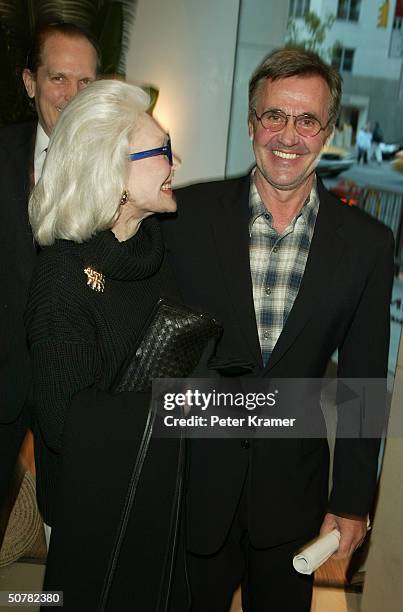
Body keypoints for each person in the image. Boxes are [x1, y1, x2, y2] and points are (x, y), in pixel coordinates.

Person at [162, 47, 394, 611]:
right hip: (193, 487)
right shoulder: (184, 217)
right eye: (275, 116)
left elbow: (362, 382)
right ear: (251, 124)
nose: (289, 135)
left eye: (307, 119)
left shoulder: (366, 245)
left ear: (328, 131)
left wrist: (353, 500)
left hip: (295, 502)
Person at [25, 79, 188, 610]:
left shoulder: (155, 255)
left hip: (151, 499)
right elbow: (62, 422)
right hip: (89, 514)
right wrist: (176, 408)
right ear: (111, 168)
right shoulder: (63, 275)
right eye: (161, 150)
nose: (176, 159)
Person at [0, 21, 100, 514]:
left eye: (86, 83)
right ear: (29, 82)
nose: (73, 95)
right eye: (59, 78)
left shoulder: (121, 168)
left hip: (77, 398)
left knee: (72, 550)